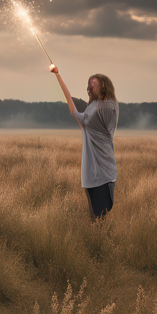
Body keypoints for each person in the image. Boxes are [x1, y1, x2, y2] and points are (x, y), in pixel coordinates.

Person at [50, 64, 119, 220]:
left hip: (102, 167)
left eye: (94, 83)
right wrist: (57, 75)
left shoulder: (107, 105)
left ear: (103, 86)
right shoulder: (91, 108)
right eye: (89, 83)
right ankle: (97, 241)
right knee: (94, 215)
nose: (90, 86)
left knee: (100, 213)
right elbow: (74, 111)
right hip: (89, 169)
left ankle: (103, 239)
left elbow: (107, 131)